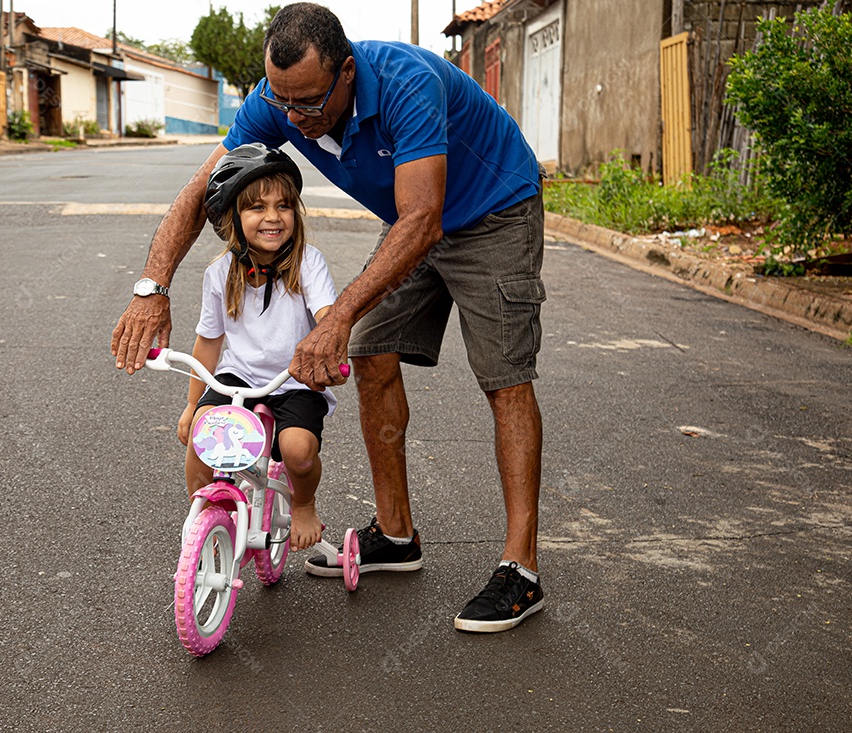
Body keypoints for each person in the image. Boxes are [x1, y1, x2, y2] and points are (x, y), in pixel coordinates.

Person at [112, 2, 546, 632]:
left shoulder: (408, 83)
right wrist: (152, 286)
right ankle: (397, 537)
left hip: (493, 212)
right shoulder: (282, 98)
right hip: (415, 222)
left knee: (504, 377)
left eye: (310, 104)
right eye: (283, 103)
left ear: (346, 72)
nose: (296, 120)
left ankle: (521, 569)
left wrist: (335, 315)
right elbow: (201, 187)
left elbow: (423, 219)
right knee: (369, 353)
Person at [177, 143, 338, 552]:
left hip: (295, 378)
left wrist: (330, 350)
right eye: (256, 208)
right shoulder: (219, 273)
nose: (272, 217)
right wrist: (192, 405)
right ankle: (204, 515)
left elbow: (328, 316)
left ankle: (303, 503)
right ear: (232, 216)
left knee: (297, 450)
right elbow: (209, 342)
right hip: (239, 378)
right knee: (202, 435)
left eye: (284, 206)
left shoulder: (308, 263)